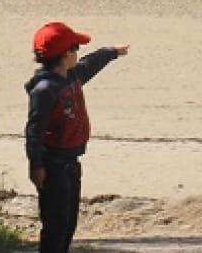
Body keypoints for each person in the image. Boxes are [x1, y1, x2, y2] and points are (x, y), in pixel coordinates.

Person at [24, 22, 129, 253]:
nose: (78, 55)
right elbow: (34, 130)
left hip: (71, 162)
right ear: (65, 55)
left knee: (69, 222)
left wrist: (111, 52)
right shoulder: (45, 89)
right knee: (55, 224)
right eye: (75, 49)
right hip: (52, 165)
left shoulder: (71, 76)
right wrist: (36, 165)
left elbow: (89, 64)